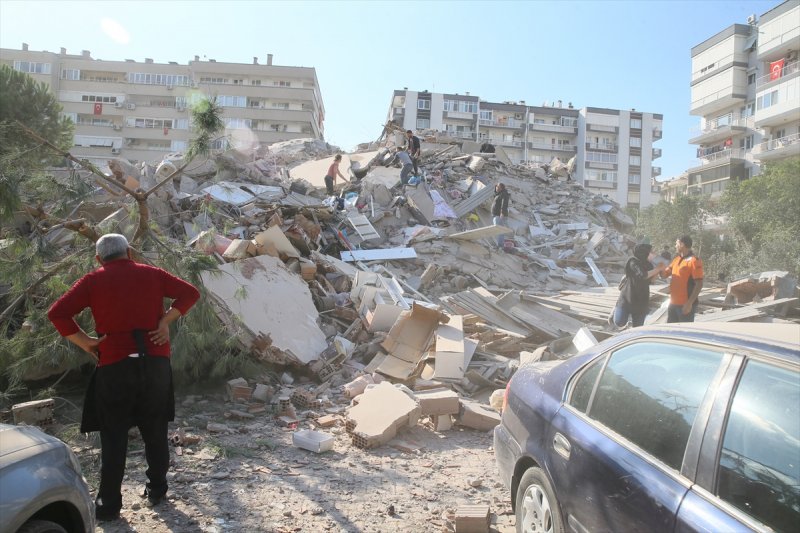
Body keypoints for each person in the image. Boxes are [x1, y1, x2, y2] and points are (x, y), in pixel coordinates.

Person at [47, 234, 200, 521]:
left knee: (114, 436)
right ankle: (157, 491)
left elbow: (57, 313)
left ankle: (108, 507)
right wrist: (165, 321)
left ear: (98, 259)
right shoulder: (152, 274)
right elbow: (191, 293)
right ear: (130, 252)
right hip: (155, 365)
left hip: (114, 366)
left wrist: (88, 342)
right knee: (155, 431)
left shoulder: (92, 280)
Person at [610, 238, 666, 328]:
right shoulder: (633, 262)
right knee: (619, 322)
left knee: (638, 327)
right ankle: (615, 310)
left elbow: (651, 280)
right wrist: (658, 269)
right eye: (651, 252)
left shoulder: (649, 265)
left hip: (641, 300)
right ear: (644, 252)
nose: (653, 254)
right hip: (628, 297)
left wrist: (658, 270)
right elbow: (643, 275)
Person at [660, 235, 704, 323]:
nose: (675, 246)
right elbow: (664, 275)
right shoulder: (676, 259)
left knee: (683, 331)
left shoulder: (694, 261)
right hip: (673, 303)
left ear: (682, 244)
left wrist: (689, 303)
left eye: (676, 244)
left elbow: (699, 284)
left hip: (685, 305)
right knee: (671, 331)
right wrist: (659, 267)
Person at [491, 183, 510, 248]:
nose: (496, 188)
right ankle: (499, 245)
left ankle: (500, 246)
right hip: (496, 215)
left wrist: (502, 213)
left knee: (499, 230)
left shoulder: (504, 194)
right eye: (496, 186)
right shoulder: (498, 194)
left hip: (500, 215)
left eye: (498, 187)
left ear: (501, 188)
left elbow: (504, 204)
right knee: (498, 230)